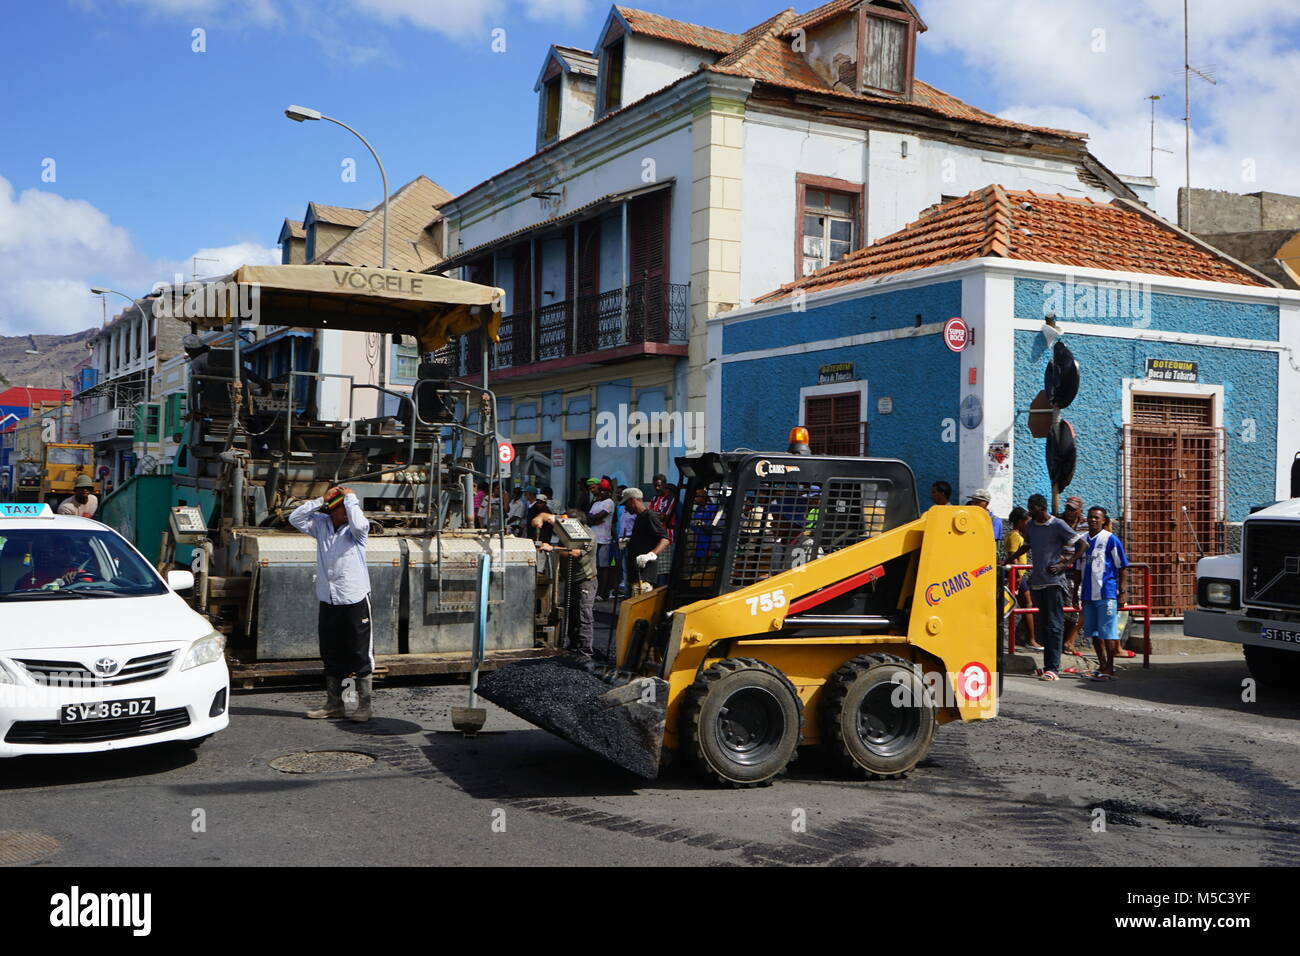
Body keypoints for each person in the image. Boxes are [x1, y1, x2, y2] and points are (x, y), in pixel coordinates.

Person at [289, 485, 375, 722]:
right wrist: (321, 500)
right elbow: (294, 517)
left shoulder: (357, 531)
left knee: (359, 652)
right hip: (329, 597)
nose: (347, 512)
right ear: (332, 510)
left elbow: (360, 524)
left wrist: (350, 498)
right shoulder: (320, 525)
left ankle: (364, 706)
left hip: (353, 597)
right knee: (331, 651)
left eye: (349, 509)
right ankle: (334, 704)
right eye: (342, 508)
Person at [1023, 493, 1085, 681]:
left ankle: (1053, 668)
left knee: (1055, 625)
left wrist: (1064, 565)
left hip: (1055, 583)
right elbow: (1025, 547)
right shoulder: (1031, 526)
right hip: (1039, 582)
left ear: (1040, 508)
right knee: (1044, 626)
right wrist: (1005, 561)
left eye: (1032, 508)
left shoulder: (1058, 525)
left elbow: (1082, 544)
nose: (1029, 511)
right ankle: (1048, 664)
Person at [533, 509, 597, 659]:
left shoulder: (589, 536)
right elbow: (546, 516)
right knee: (572, 614)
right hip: (572, 579)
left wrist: (553, 548)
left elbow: (575, 553)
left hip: (585, 581)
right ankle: (573, 647)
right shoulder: (567, 525)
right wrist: (539, 518)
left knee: (583, 616)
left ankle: (585, 652)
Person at [1080, 506, 1129, 681]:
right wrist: (1074, 594)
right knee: (1093, 633)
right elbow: (1079, 569)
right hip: (1087, 594)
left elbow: (1122, 566)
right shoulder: (1083, 541)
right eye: (1090, 517)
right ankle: (1101, 665)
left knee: (1107, 632)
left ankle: (1110, 667)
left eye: (1096, 518)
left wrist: (1122, 591)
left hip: (1106, 593)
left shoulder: (1110, 540)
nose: (1093, 520)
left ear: (1103, 520)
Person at [1005, 506, 1043, 650]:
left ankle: (1029, 639)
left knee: (1025, 605)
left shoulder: (1017, 535)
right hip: (1018, 576)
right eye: (1026, 521)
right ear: (1020, 521)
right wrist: (1019, 577)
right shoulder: (1015, 536)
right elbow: (1012, 556)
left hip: (1019, 575)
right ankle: (1031, 639)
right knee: (1027, 604)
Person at [621, 487, 669, 592]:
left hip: (645, 574)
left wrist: (651, 554)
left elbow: (665, 539)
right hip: (636, 572)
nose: (625, 508)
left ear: (633, 500)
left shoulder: (649, 516)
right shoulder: (639, 517)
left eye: (626, 504)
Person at [1058, 495, 1087, 655]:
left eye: (1073, 509)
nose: (1069, 512)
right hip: (1061, 570)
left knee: (1077, 608)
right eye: (1068, 508)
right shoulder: (1059, 522)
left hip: (1079, 571)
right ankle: (1065, 642)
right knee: (1063, 608)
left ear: (1079, 511)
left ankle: (1069, 641)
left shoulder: (1086, 524)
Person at [587, 479, 616, 600]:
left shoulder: (609, 503)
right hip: (593, 538)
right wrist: (594, 519)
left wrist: (594, 519)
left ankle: (602, 593)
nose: (602, 493)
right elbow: (587, 517)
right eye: (601, 490)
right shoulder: (595, 503)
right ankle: (594, 591)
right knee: (594, 567)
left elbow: (599, 516)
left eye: (605, 491)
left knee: (603, 567)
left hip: (604, 539)